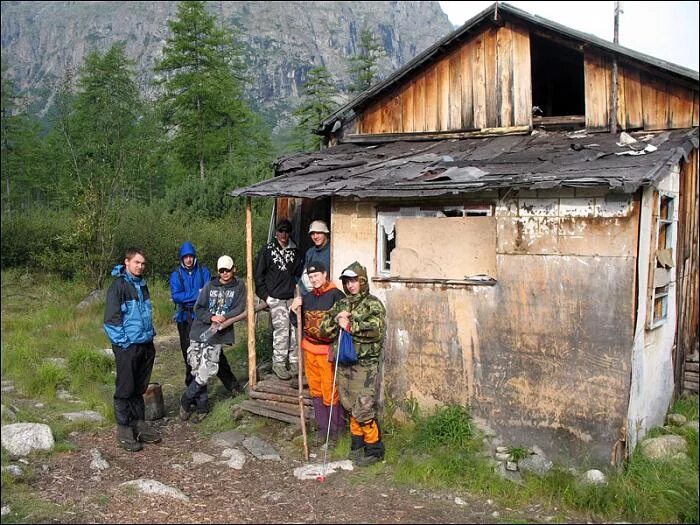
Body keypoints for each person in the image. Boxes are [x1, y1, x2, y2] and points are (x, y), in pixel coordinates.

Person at [320, 261, 386, 467]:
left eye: (354, 281)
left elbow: (376, 330)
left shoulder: (373, 304)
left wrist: (350, 325)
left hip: (365, 364)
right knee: (349, 404)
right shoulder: (341, 304)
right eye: (347, 282)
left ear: (362, 281)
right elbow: (324, 329)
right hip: (344, 362)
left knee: (363, 406)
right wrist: (335, 321)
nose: (350, 286)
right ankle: (357, 447)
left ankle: (374, 449)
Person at [104, 247, 162, 452]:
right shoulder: (118, 287)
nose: (140, 266)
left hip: (145, 343)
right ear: (126, 262)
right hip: (127, 346)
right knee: (125, 387)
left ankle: (139, 423)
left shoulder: (142, 284)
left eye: (143, 263)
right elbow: (111, 320)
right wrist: (124, 343)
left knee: (140, 387)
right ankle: (124, 427)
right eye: (137, 262)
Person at [179, 255, 246, 423]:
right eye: (222, 270)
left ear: (233, 269)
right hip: (199, 330)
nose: (225, 273)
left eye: (228, 270)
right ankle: (202, 408)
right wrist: (211, 316)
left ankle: (186, 399)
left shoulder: (239, 286)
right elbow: (198, 308)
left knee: (206, 370)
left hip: (217, 333)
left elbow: (239, 307)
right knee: (196, 368)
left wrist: (224, 317)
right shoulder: (210, 286)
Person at [169, 241, 242, 395]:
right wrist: (198, 293)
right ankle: (194, 394)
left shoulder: (203, 272)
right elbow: (176, 296)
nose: (188, 259)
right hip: (186, 319)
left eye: (190, 256)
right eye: (185, 257)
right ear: (181, 259)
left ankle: (233, 386)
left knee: (216, 352)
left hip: (206, 319)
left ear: (194, 257)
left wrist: (197, 296)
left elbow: (211, 293)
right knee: (190, 356)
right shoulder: (176, 275)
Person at [290, 261, 346, 444]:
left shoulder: (336, 295)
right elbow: (296, 322)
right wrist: (293, 308)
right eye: (310, 277)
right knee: (315, 390)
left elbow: (343, 324)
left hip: (326, 351)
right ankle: (323, 430)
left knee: (329, 390)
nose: (313, 280)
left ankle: (335, 431)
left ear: (325, 274)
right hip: (309, 350)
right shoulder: (307, 297)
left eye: (316, 276)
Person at [253, 219, 303, 380]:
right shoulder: (267, 250)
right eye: (281, 230)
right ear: (276, 232)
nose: (284, 234)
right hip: (275, 298)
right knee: (281, 332)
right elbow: (258, 275)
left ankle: (295, 362)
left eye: (287, 231)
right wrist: (266, 297)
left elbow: (299, 273)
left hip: (291, 297)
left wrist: (298, 294)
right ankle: (279, 364)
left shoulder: (295, 251)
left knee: (295, 331)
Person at [300, 220, 331, 295]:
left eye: (318, 233)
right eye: (312, 234)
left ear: (325, 233)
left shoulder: (333, 250)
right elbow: (304, 277)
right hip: (311, 294)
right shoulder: (310, 253)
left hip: (328, 293)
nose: (315, 236)